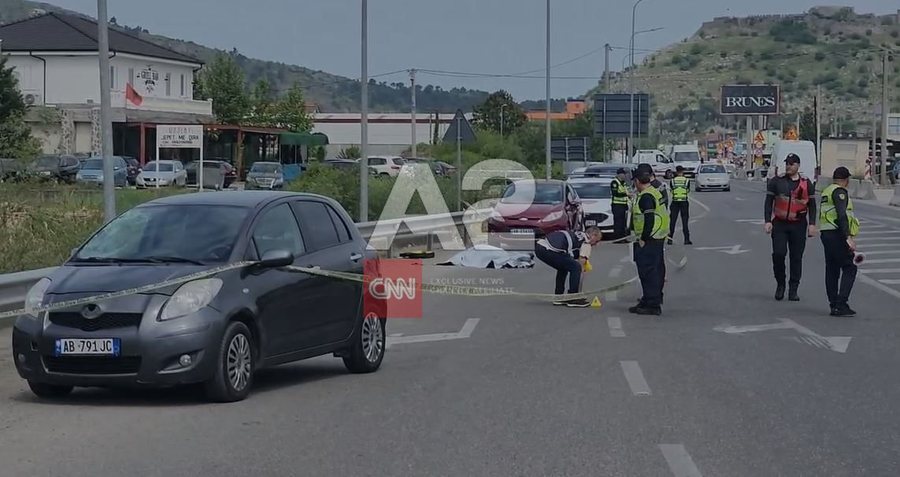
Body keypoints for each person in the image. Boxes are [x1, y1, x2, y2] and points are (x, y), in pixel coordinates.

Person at [764, 153, 817, 301]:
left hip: (798, 225)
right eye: (787, 163)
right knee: (779, 255)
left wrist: (812, 224)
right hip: (780, 224)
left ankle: (793, 289)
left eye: (792, 163)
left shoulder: (806, 184)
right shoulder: (776, 181)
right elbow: (768, 202)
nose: (788, 166)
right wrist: (768, 221)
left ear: (798, 166)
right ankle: (780, 284)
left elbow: (812, 206)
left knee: (796, 258)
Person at [819, 167, 860, 317]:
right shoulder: (839, 192)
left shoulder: (827, 190)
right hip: (837, 234)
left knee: (832, 269)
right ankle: (841, 304)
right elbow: (842, 215)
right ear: (846, 180)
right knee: (850, 267)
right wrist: (848, 237)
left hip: (826, 234)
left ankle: (833, 304)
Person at [629, 170, 669, 316]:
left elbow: (649, 219)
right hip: (657, 238)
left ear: (638, 181)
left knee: (648, 273)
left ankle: (652, 304)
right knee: (654, 271)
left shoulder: (646, 196)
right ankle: (648, 300)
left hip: (649, 239)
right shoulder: (654, 192)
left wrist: (643, 238)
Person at [535, 227, 604, 308]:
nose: (596, 244)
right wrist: (581, 272)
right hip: (550, 249)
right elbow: (581, 263)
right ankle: (573, 298)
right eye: (597, 241)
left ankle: (558, 296)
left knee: (564, 267)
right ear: (593, 235)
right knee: (576, 267)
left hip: (540, 247)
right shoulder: (586, 242)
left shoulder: (578, 234)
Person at [668, 165, 692, 245]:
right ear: (682, 172)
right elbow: (688, 190)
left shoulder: (672, 181)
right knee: (685, 221)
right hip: (684, 201)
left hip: (675, 202)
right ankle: (686, 239)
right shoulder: (686, 180)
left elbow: (671, 190)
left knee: (672, 221)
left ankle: (670, 239)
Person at [610, 168, 631, 241]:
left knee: (623, 223)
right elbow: (615, 193)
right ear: (619, 174)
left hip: (623, 205)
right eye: (623, 174)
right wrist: (626, 194)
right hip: (617, 205)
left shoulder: (623, 183)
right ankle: (618, 238)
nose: (625, 176)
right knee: (618, 223)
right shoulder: (615, 182)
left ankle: (623, 238)